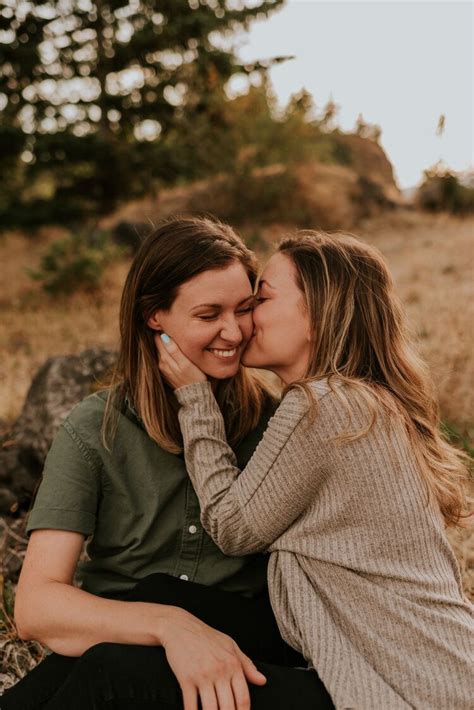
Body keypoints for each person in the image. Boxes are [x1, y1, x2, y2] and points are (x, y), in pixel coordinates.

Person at [2, 218, 333, 710]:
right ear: (155, 316)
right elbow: (35, 607)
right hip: (115, 641)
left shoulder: (277, 425)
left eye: (244, 309)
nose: (233, 331)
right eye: (208, 315)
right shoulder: (96, 428)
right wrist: (169, 625)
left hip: (236, 659)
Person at [156, 230, 474, 709]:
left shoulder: (322, 405)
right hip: (429, 663)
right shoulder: (359, 401)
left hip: (410, 685)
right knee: (158, 599)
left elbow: (230, 526)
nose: (244, 320)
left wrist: (195, 398)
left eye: (260, 299)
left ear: (318, 315)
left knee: (125, 668)